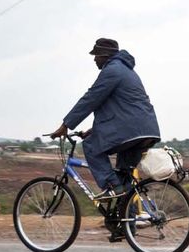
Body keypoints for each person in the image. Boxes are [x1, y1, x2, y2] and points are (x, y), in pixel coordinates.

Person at [49, 38, 160, 200]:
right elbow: (123, 109)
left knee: (91, 146)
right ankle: (125, 222)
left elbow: (91, 98)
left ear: (105, 55)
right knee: (124, 180)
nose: (94, 59)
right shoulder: (127, 71)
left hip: (130, 130)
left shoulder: (112, 70)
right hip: (146, 130)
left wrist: (66, 125)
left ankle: (111, 185)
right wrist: (94, 130)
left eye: (96, 55)